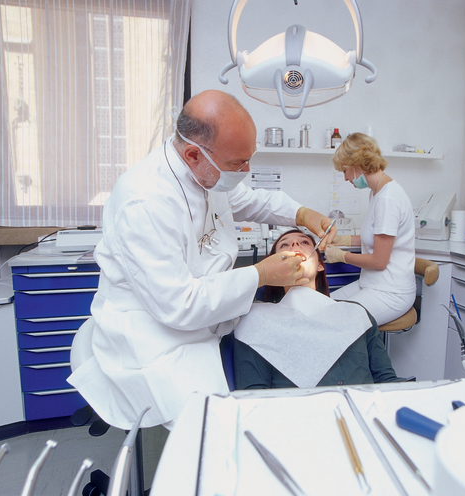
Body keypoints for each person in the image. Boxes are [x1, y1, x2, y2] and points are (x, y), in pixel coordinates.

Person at [67, 90, 336, 430]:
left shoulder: (206, 172)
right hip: (157, 334)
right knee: (214, 430)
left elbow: (250, 200)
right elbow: (180, 304)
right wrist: (261, 275)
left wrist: (302, 213)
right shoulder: (144, 203)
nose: (247, 170)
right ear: (193, 154)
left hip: (209, 314)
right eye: (238, 163)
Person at [234, 229, 402, 389]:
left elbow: (386, 380)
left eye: (304, 242)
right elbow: (254, 397)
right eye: (284, 245)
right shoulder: (256, 322)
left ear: (321, 266)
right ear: (272, 267)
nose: (294, 245)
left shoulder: (357, 315)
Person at [324, 133, 416, 326]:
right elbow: (376, 239)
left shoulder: (388, 200)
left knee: (335, 322)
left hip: (391, 292)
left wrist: (341, 256)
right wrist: (342, 239)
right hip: (371, 285)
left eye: (345, 170)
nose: (345, 177)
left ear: (358, 164)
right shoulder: (377, 193)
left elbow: (379, 261)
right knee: (322, 307)